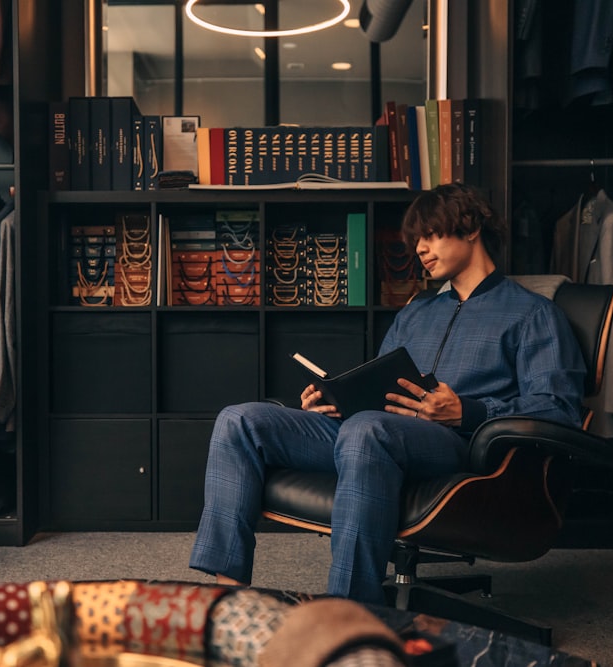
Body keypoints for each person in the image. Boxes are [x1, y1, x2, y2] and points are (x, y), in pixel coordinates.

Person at [189, 183, 586, 605]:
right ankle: (226, 597)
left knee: (367, 430)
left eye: (430, 235)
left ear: (470, 228)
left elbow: (559, 409)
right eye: (416, 240)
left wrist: (466, 411)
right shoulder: (417, 310)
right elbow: (379, 394)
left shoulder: (532, 314)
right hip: (377, 435)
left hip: (459, 446)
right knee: (239, 421)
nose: (420, 248)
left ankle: (349, 608)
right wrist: (337, 403)